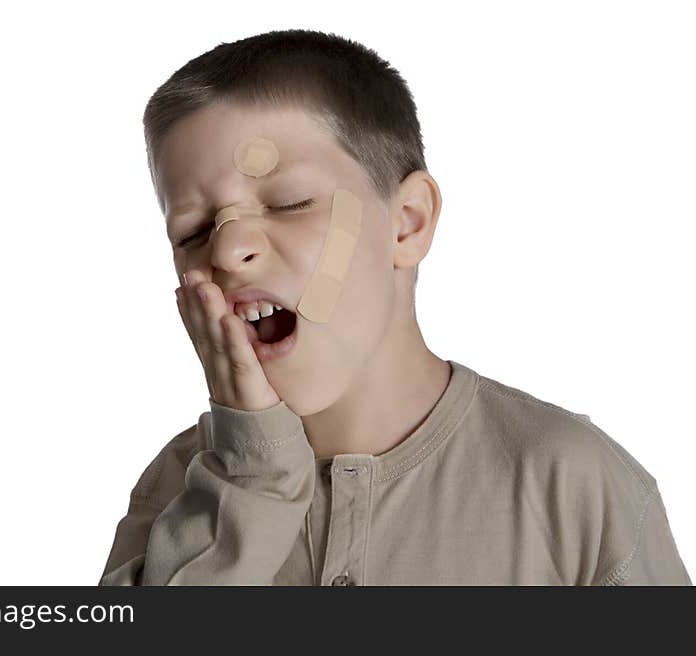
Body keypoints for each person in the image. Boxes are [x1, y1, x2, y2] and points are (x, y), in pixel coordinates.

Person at [98, 29, 691, 585]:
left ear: (406, 225)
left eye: (289, 202)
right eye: (193, 231)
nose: (226, 251)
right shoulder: (178, 488)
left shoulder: (572, 485)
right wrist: (250, 477)